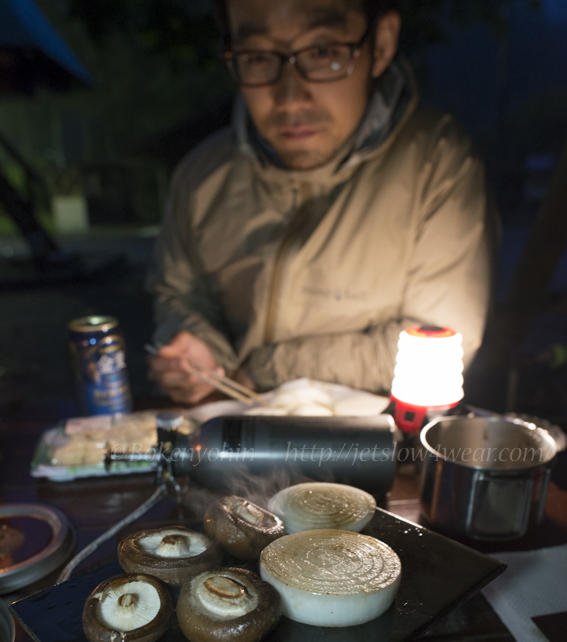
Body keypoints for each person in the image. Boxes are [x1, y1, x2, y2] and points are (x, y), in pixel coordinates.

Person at [148, 0, 497, 405]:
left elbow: (442, 341)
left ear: (381, 45)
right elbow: (179, 293)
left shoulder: (436, 162)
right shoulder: (202, 176)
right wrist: (203, 352)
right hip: (229, 433)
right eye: (258, 57)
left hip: (376, 446)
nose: (291, 98)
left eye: (324, 52)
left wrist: (265, 368)